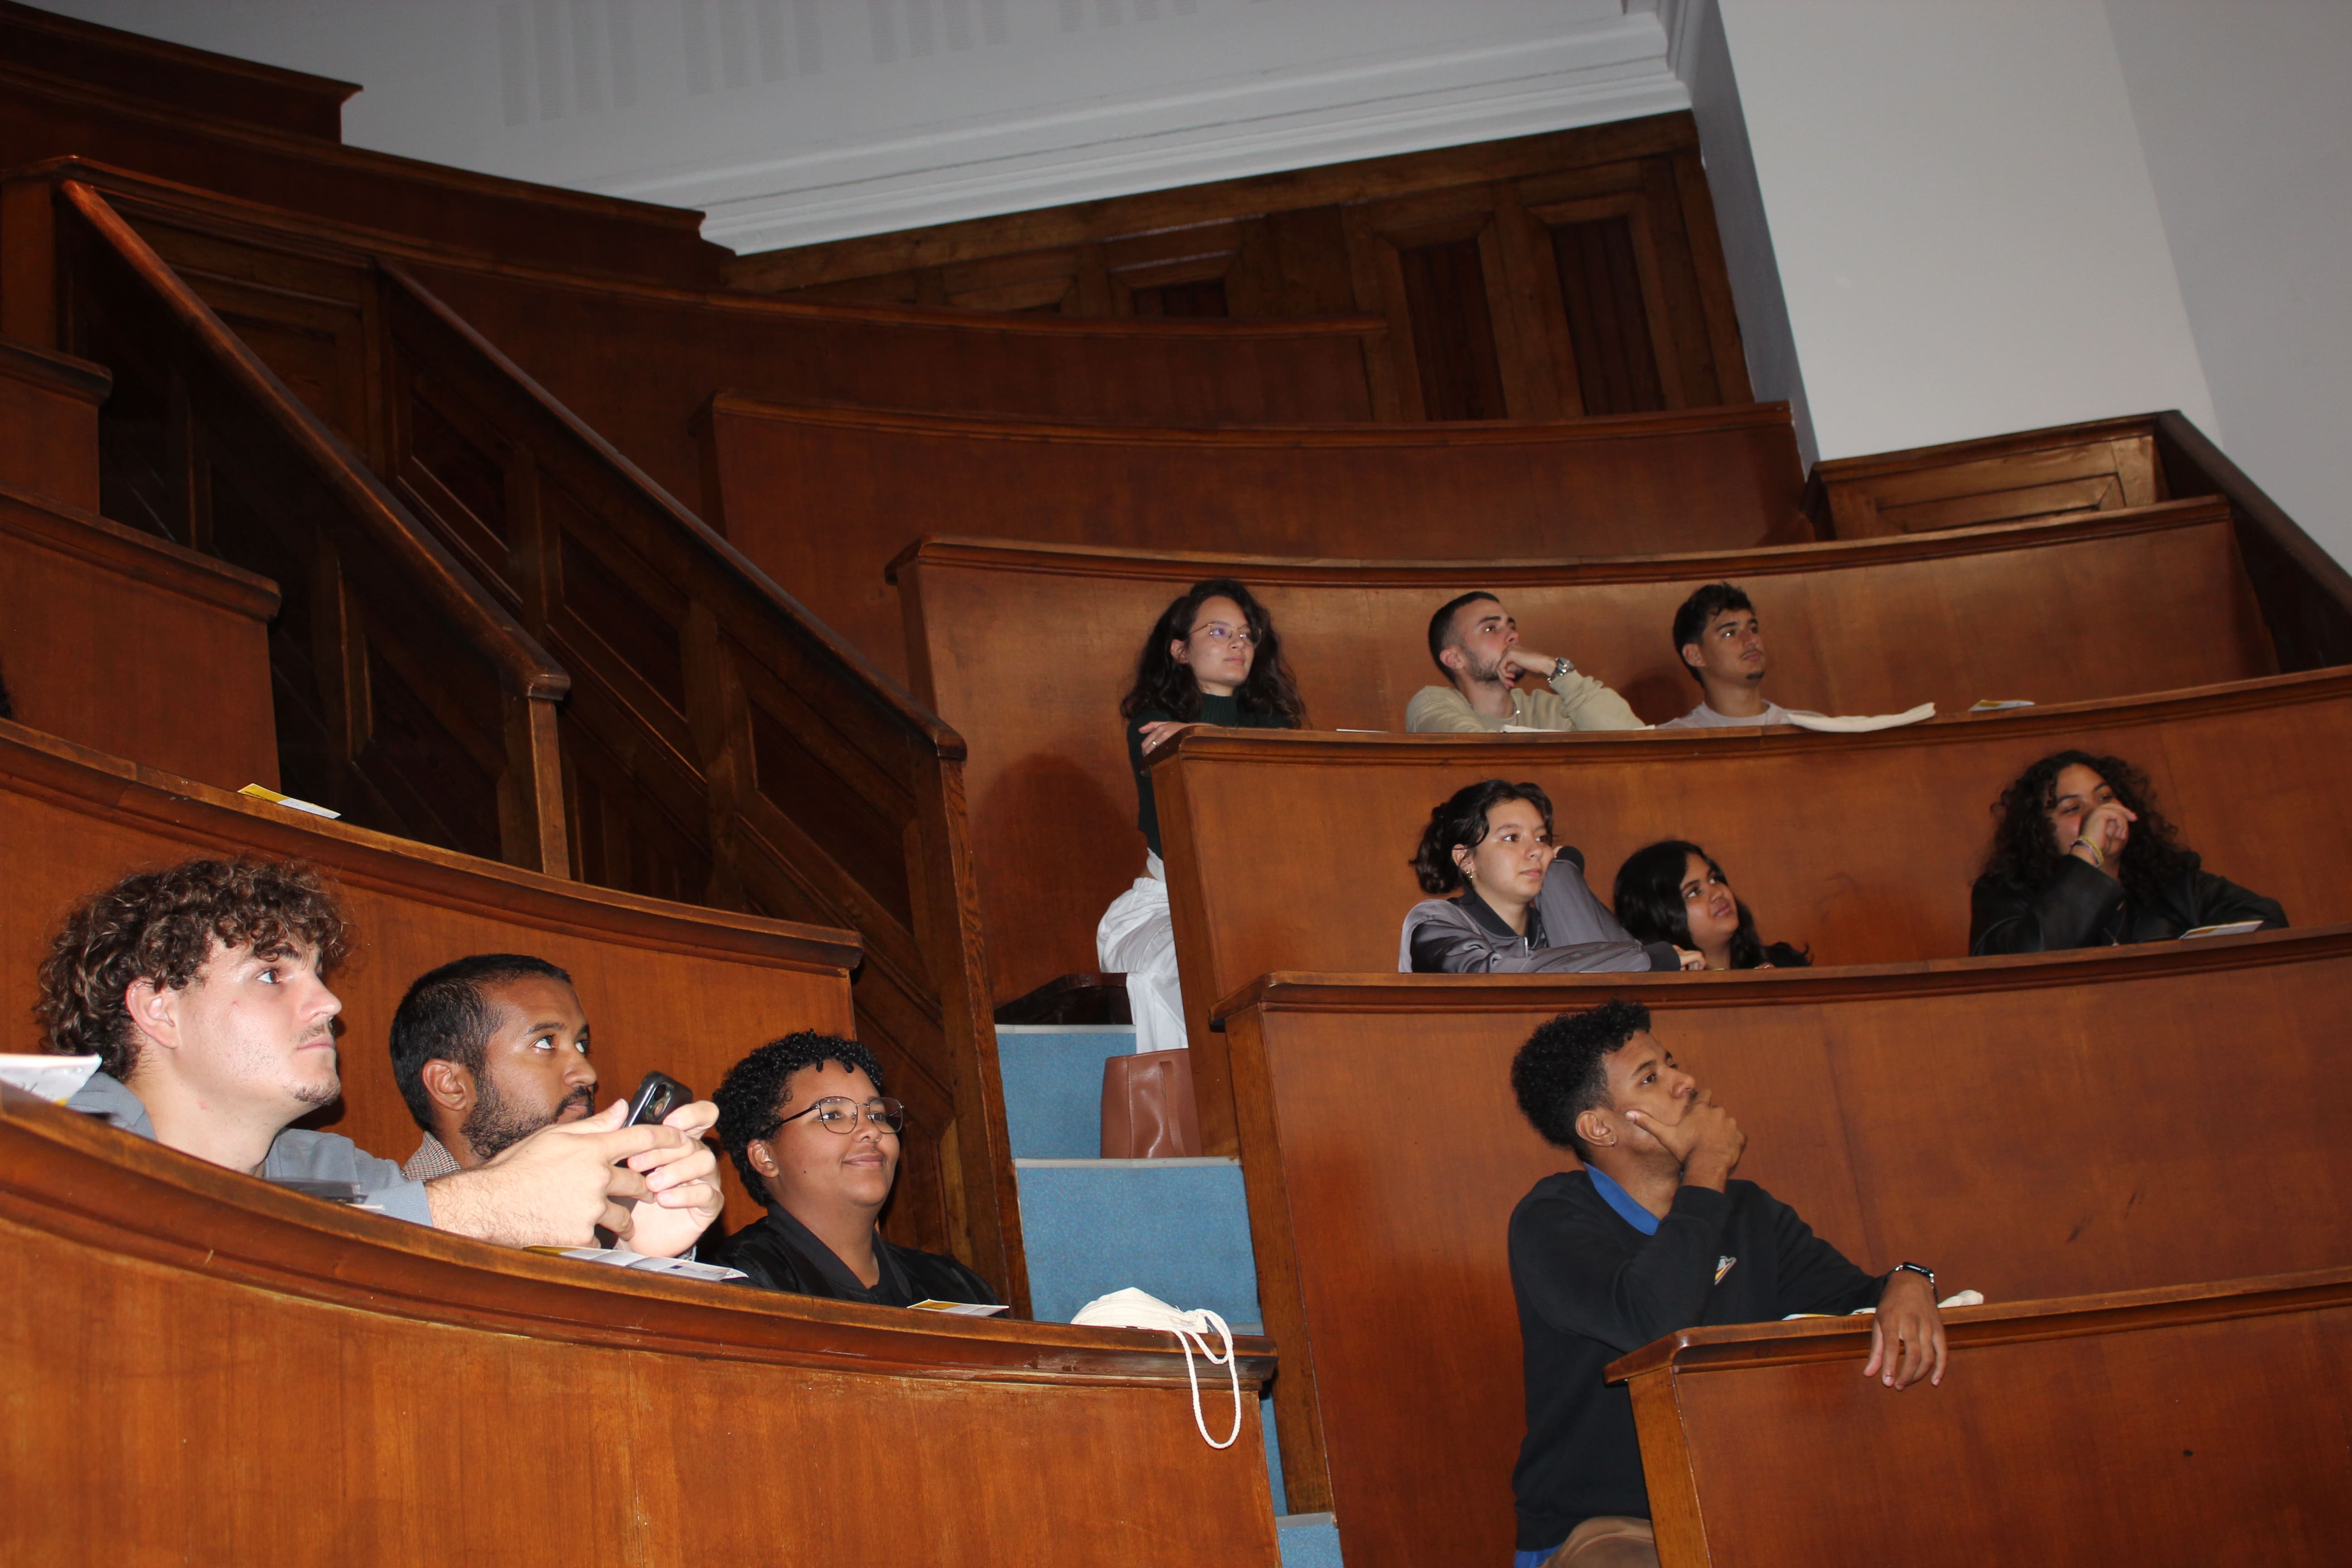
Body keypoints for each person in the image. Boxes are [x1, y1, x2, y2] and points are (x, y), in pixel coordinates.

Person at [40, 857, 722, 1251]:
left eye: (319, 975)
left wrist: (631, 1236)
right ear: (159, 1009)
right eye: (274, 975)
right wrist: (478, 1207)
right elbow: (153, 1246)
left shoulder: (331, 1170)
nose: (330, 1005)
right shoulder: (49, 1130)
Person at [1507, 1000, 1946, 1567]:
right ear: (1598, 1127)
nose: (1686, 1082)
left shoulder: (1749, 1214)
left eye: (1672, 1064)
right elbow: (1655, 1324)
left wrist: (1911, 1280)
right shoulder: (1552, 1220)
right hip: (1610, 1531)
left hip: (1748, 1510)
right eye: (1651, 1078)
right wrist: (1708, 1167)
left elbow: (1856, 1301)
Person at [382, 952, 721, 1260]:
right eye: (545, 1042)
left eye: (582, 1045)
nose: (587, 1074)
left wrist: (637, 1257)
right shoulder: (369, 1228)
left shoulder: (596, 1223)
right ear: (451, 1085)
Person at [1100, 578, 1306, 1053]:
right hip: (1170, 906)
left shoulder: (1275, 726)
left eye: (1246, 634)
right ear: (1179, 651)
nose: (1238, 643)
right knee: (1201, 964)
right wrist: (1193, 733)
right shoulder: (1154, 724)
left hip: (1257, 902)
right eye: (1218, 632)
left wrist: (1195, 730)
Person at [711, 1031, 1000, 1308]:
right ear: (765, 1157)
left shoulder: (958, 1286)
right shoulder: (736, 1283)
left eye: (876, 1114)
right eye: (833, 1115)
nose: (871, 1131)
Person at [1970, 750, 2286, 954]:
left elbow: (2266, 919)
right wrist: (2088, 854)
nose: (2101, 815)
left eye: (2105, 798)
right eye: (2074, 809)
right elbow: (2025, 961)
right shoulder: (2005, 892)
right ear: (2039, 831)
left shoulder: (2170, 880)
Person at [1401, 779, 1701, 975]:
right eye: (1512, 838)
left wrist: (1561, 874)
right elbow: (1498, 976)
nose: (1536, 851)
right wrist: (1649, 960)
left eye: (1542, 838)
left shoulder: (1555, 922)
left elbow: (1616, 979)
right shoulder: (1434, 922)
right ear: (1466, 858)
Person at [1406, 591, 1642, 734]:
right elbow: (1479, 756)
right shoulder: (1434, 704)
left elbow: (1634, 740)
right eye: (1491, 628)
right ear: (1455, 658)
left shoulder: (1551, 710)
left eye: (1511, 626)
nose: (1513, 636)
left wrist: (1554, 669)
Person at [1611, 840, 1811, 971]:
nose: (1718, 893)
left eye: (1714, 879)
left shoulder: (1785, 964)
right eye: (1694, 892)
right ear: (1659, 917)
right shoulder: (1662, 996)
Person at [1655, 583, 1792, 730]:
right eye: (1730, 633)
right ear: (1695, 656)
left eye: (1753, 629)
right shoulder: (1674, 741)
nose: (1752, 640)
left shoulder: (1810, 729)